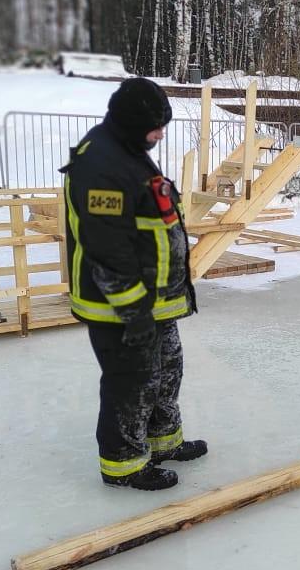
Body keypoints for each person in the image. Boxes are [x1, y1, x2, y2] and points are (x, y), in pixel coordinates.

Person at [62, 77, 205, 491]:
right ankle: (123, 465)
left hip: (156, 301)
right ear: (129, 122)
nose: (160, 134)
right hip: (122, 306)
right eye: (155, 126)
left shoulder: (127, 148)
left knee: (166, 372)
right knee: (132, 382)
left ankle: (163, 442)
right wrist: (134, 312)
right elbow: (108, 250)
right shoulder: (102, 166)